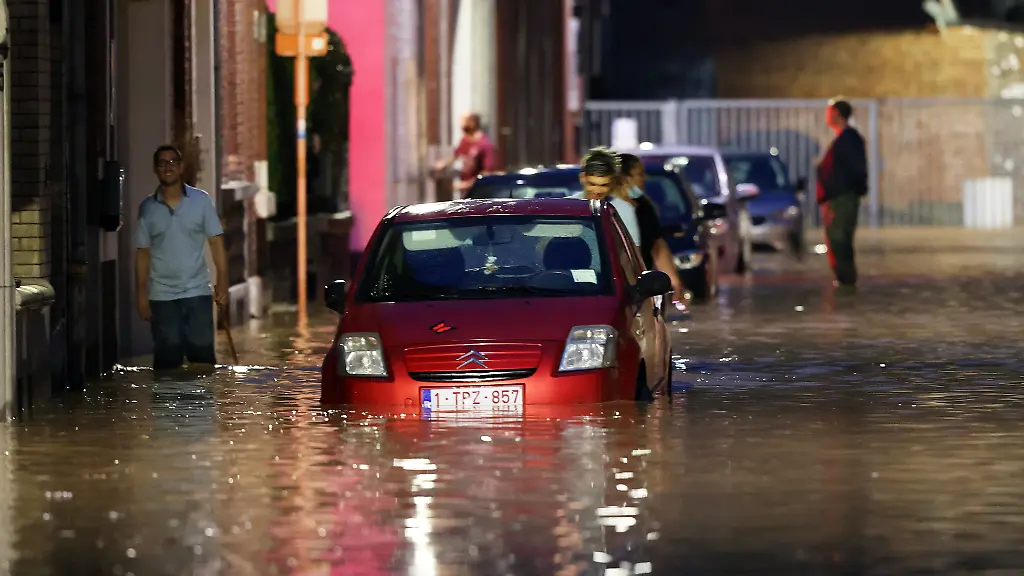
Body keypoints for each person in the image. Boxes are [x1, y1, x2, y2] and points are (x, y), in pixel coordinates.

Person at [135, 145, 229, 371]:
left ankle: (201, 397)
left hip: (197, 292)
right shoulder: (147, 208)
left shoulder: (201, 201)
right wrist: (141, 295)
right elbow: (143, 253)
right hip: (161, 296)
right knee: (167, 363)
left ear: (181, 167)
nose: (168, 167)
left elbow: (216, 243)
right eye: (162, 163)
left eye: (172, 162)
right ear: (155, 169)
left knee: (202, 361)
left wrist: (223, 281)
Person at [618, 153, 686, 298]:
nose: (644, 178)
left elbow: (657, 246)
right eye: (640, 174)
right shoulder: (604, 207)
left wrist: (674, 282)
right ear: (624, 178)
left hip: (641, 287)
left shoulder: (643, 207)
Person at [816, 97, 868, 288]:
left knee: (839, 241)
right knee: (837, 241)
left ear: (837, 114)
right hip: (837, 199)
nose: (827, 116)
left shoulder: (849, 140)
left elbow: (854, 170)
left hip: (841, 199)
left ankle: (846, 281)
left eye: (829, 112)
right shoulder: (844, 139)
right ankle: (844, 280)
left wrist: (840, 192)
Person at [434, 113, 496, 195]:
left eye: (464, 122)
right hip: (465, 191)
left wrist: (466, 184)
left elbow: (487, 173)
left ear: (472, 123)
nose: (461, 126)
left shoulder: (485, 145)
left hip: (478, 192)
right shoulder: (465, 140)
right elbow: (456, 154)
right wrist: (443, 164)